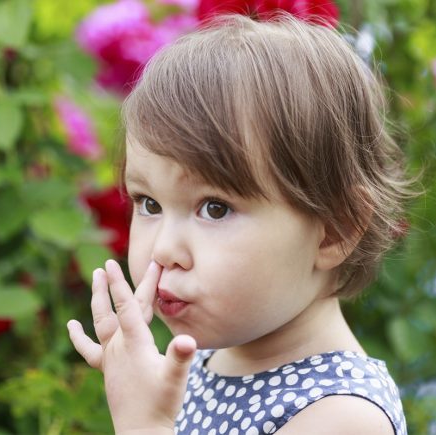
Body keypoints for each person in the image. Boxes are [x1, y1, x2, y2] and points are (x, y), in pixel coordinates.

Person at [67, 12, 414, 435]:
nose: (162, 250)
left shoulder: (343, 417)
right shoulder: (208, 357)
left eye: (214, 208)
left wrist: (143, 424)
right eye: (149, 203)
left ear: (334, 230)